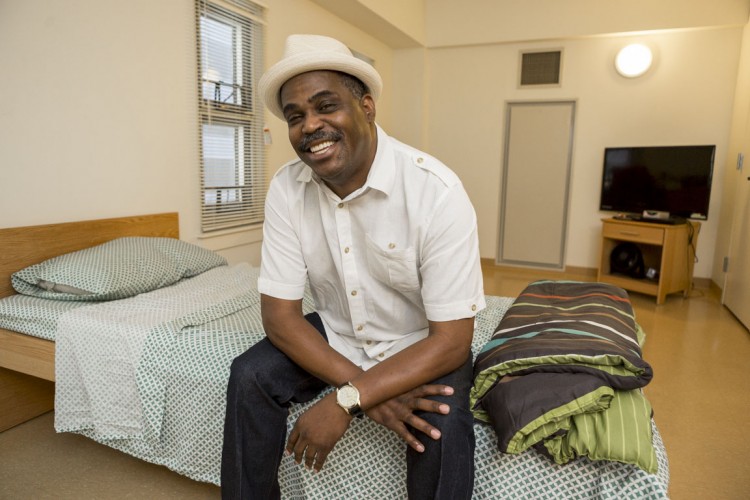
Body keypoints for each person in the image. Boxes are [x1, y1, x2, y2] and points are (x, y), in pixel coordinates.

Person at [221, 34, 485, 500]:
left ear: (366, 107)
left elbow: (451, 341)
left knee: (440, 424)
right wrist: (367, 392)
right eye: (295, 116)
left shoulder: (436, 191)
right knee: (250, 375)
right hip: (338, 331)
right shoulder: (286, 188)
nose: (310, 125)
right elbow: (279, 317)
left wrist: (346, 400)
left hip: (420, 342)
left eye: (326, 106)